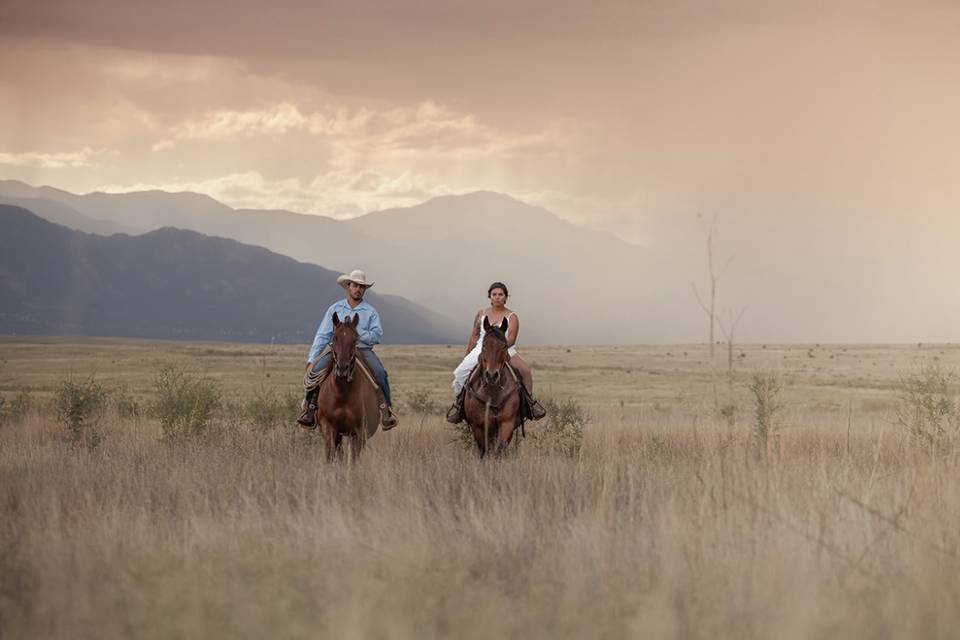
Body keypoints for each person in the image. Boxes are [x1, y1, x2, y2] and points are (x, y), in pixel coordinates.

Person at [297, 269, 398, 429]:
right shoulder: (334, 309)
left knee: (379, 372)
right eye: (355, 285)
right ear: (348, 287)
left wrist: (356, 333)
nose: (358, 289)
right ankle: (309, 410)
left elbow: (377, 336)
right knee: (315, 372)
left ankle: (386, 410)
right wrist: (311, 359)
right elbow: (322, 335)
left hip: (362, 350)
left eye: (362, 287)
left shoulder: (370, 312)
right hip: (336, 349)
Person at [446, 281, 546, 424]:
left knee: (525, 371)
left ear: (505, 297)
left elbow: (511, 338)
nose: (497, 297)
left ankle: (529, 404)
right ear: (490, 297)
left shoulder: (512, 317)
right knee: (461, 372)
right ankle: (459, 405)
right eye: (494, 294)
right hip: (482, 348)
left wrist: (499, 349)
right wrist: (468, 354)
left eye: (500, 294)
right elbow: (474, 335)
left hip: (504, 348)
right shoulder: (481, 314)